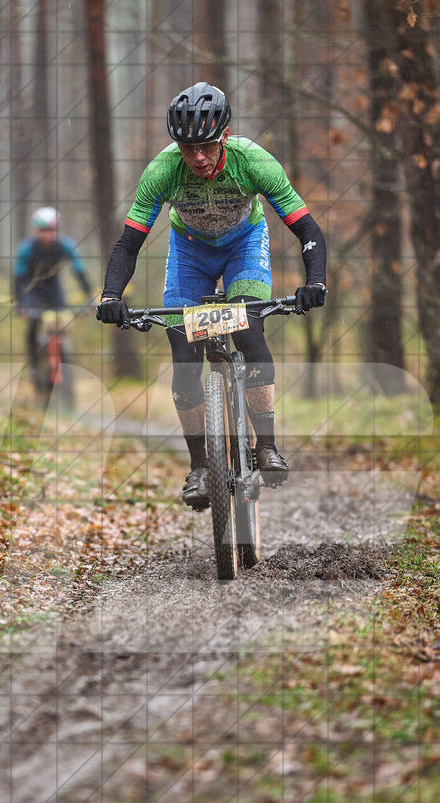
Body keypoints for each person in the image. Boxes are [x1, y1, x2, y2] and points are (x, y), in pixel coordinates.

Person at [96, 83, 327, 508]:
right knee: (184, 354)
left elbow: (306, 228)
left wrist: (315, 282)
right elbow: (129, 244)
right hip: (190, 253)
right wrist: (111, 294)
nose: (198, 157)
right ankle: (201, 465)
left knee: (249, 328)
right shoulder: (162, 171)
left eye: (205, 146)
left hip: (244, 247)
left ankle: (266, 445)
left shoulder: (253, 161)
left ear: (224, 135)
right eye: (188, 149)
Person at [15, 207, 92, 379]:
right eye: (43, 230)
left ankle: (63, 360)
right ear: (36, 230)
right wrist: (21, 304)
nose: (48, 235)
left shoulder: (65, 245)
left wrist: (89, 297)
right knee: (34, 323)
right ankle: (33, 366)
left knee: (61, 321)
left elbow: (79, 271)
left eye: (51, 230)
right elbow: (19, 278)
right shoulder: (27, 248)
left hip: (53, 286)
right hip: (31, 288)